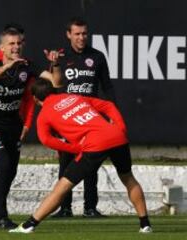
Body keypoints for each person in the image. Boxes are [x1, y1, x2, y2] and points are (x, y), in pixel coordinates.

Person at [9, 80, 152, 234]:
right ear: (53, 91)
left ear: (35, 99)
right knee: (128, 179)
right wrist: (120, 128)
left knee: (62, 187)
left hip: (94, 144)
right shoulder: (74, 97)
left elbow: (46, 140)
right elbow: (108, 106)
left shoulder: (44, 115)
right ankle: (145, 225)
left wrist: (75, 148)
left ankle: (29, 225)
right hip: (117, 137)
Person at [0, 27, 63, 229]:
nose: (16, 47)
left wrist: (55, 64)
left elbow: (55, 82)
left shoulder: (28, 66)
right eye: (11, 43)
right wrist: (6, 67)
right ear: (1, 47)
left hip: (13, 125)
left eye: (19, 43)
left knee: (10, 170)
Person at [52, 17, 116, 218]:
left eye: (84, 34)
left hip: (91, 119)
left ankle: (90, 208)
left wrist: (112, 114)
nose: (81, 37)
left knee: (91, 165)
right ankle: (65, 208)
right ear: (68, 34)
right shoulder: (60, 57)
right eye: (77, 34)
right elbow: (53, 86)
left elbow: (107, 87)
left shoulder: (97, 57)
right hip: (67, 119)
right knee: (66, 164)